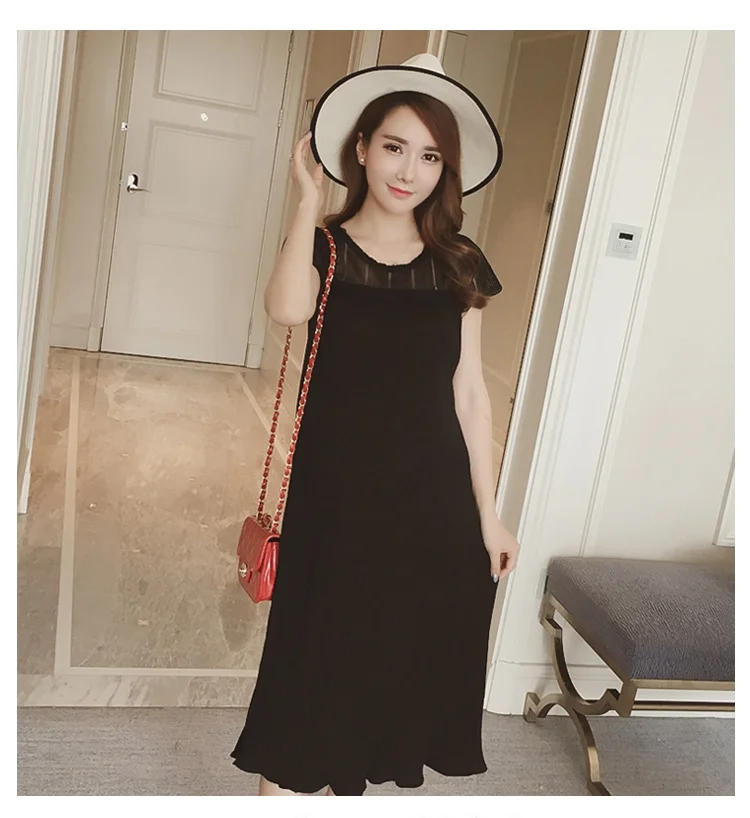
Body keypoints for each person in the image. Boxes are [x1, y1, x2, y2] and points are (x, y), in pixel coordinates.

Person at [231, 53, 520, 797]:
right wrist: (306, 200)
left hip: (430, 502)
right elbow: (286, 309)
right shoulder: (324, 246)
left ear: (445, 170)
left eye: (430, 156)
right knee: (308, 668)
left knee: (391, 665)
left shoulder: (460, 263)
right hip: (335, 498)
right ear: (360, 148)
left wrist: (489, 516)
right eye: (394, 146)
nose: (409, 170)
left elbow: (470, 394)